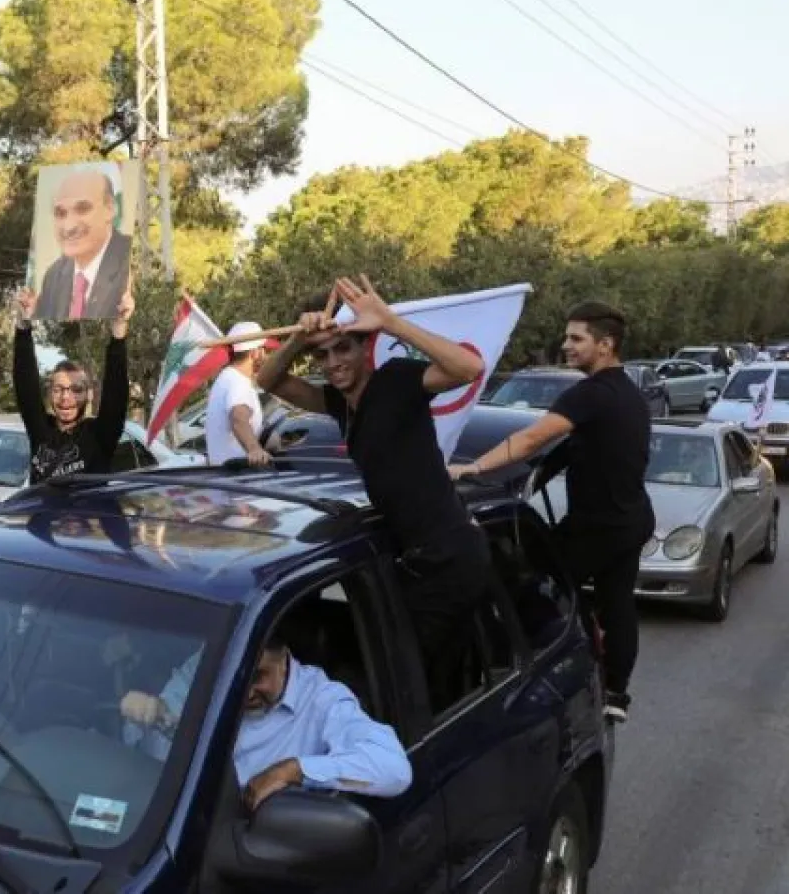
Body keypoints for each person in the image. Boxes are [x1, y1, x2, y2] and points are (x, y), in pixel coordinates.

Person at [255, 276, 489, 699]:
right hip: (410, 561)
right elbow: (268, 380)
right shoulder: (339, 402)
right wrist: (298, 339)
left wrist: (390, 321)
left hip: (450, 559)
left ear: (366, 346)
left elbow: (469, 368)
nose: (333, 363)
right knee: (402, 673)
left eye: (343, 348)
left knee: (408, 685)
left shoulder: (396, 380)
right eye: (321, 354)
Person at [450, 301, 653, 723]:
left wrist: (473, 468)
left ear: (605, 344)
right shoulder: (628, 392)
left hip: (597, 528)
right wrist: (533, 479)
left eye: (576, 338)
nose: (566, 345)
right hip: (631, 520)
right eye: (567, 337)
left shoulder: (590, 393)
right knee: (618, 605)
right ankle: (616, 694)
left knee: (528, 585)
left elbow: (532, 439)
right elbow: (571, 451)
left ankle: (531, 674)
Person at [120, 641, 412, 808]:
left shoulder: (323, 700)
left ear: (284, 661)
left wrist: (294, 771)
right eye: (234, 677)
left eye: (257, 676)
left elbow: (394, 770)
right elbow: (150, 754)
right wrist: (153, 716)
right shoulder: (200, 671)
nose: (245, 692)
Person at [12, 287, 134, 483]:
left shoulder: (100, 434)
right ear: (50, 394)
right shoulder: (41, 430)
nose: (65, 397)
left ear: (89, 394)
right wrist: (23, 325)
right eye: (58, 389)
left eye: (76, 390)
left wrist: (119, 330)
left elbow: (116, 394)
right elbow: (25, 383)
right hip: (42, 504)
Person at [33, 166, 134, 320]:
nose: (69, 226)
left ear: (110, 209)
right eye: (60, 213)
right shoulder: (53, 277)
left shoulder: (133, 260)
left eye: (82, 209)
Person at [205, 322, 273, 467]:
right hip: (237, 474)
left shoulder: (227, 377)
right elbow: (238, 418)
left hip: (224, 474)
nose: (266, 355)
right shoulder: (238, 382)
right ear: (255, 352)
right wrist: (255, 450)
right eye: (264, 349)